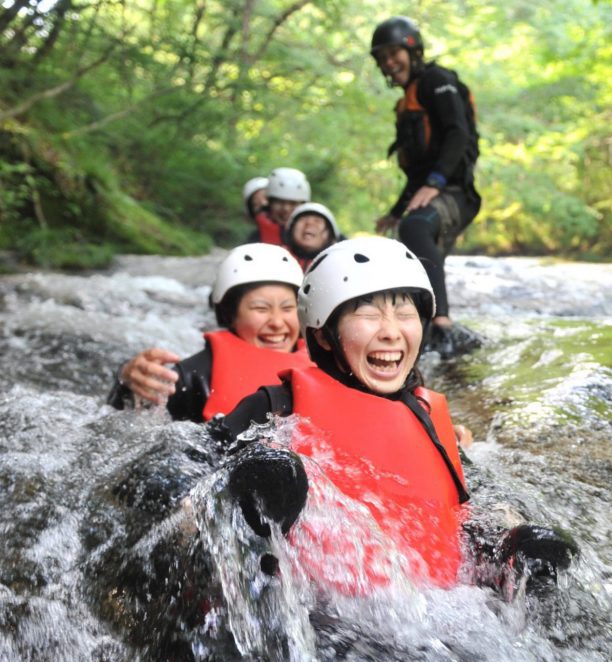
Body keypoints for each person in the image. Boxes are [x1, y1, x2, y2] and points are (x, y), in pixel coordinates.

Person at [219, 236, 576, 595]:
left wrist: (509, 547)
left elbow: (467, 512)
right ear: (325, 336)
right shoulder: (279, 404)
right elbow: (194, 464)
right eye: (368, 313)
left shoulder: (427, 417)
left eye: (405, 314)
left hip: (439, 610)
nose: (391, 331)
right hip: (313, 613)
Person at [370, 16, 481, 358]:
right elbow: (416, 174)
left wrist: (436, 182)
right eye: (382, 59)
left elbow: (458, 134)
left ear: (413, 50)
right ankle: (421, 333)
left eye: (394, 54)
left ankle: (442, 325)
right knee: (405, 251)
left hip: (456, 193)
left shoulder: (437, 81)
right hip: (435, 189)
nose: (389, 63)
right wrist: (394, 210)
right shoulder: (406, 104)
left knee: (415, 225)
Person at [107, 243, 313, 422]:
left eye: (288, 308)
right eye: (261, 308)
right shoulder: (194, 377)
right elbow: (123, 423)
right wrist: (126, 384)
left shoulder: (327, 364)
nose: (277, 322)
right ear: (230, 315)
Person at [255, 167, 311, 246]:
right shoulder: (255, 239)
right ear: (269, 202)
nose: (286, 208)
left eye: (293, 203)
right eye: (279, 202)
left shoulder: (317, 239)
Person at [284, 201, 344, 270]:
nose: (309, 224)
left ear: (328, 234)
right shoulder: (276, 256)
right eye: (303, 219)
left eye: (317, 221)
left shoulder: (339, 266)